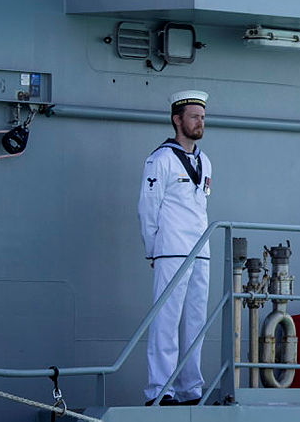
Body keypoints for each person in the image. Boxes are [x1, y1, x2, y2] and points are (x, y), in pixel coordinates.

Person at [138, 90, 213, 406]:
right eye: (194, 116)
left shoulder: (205, 161)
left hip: (200, 250)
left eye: (202, 116)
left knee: (196, 322)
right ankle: (160, 389)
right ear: (177, 119)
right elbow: (147, 207)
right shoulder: (161, 160)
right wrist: (153, 249)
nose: (200, 122)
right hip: (171, 250)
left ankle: (190, 388)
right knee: (166, 321)